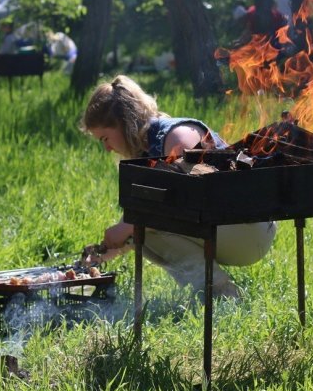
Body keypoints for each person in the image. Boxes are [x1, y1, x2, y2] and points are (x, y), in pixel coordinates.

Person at [80, 75, 277, 299]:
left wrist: (129, 226)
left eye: (105, 138)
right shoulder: (148, 148)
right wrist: (105, 251)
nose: (107, 148)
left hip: (249, 229)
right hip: (230, 229)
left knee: (144, 223)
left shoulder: (177, 137)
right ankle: (215, 290)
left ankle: (222, 294)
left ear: (123, 123)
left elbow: (195, 200)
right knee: (140, 227)